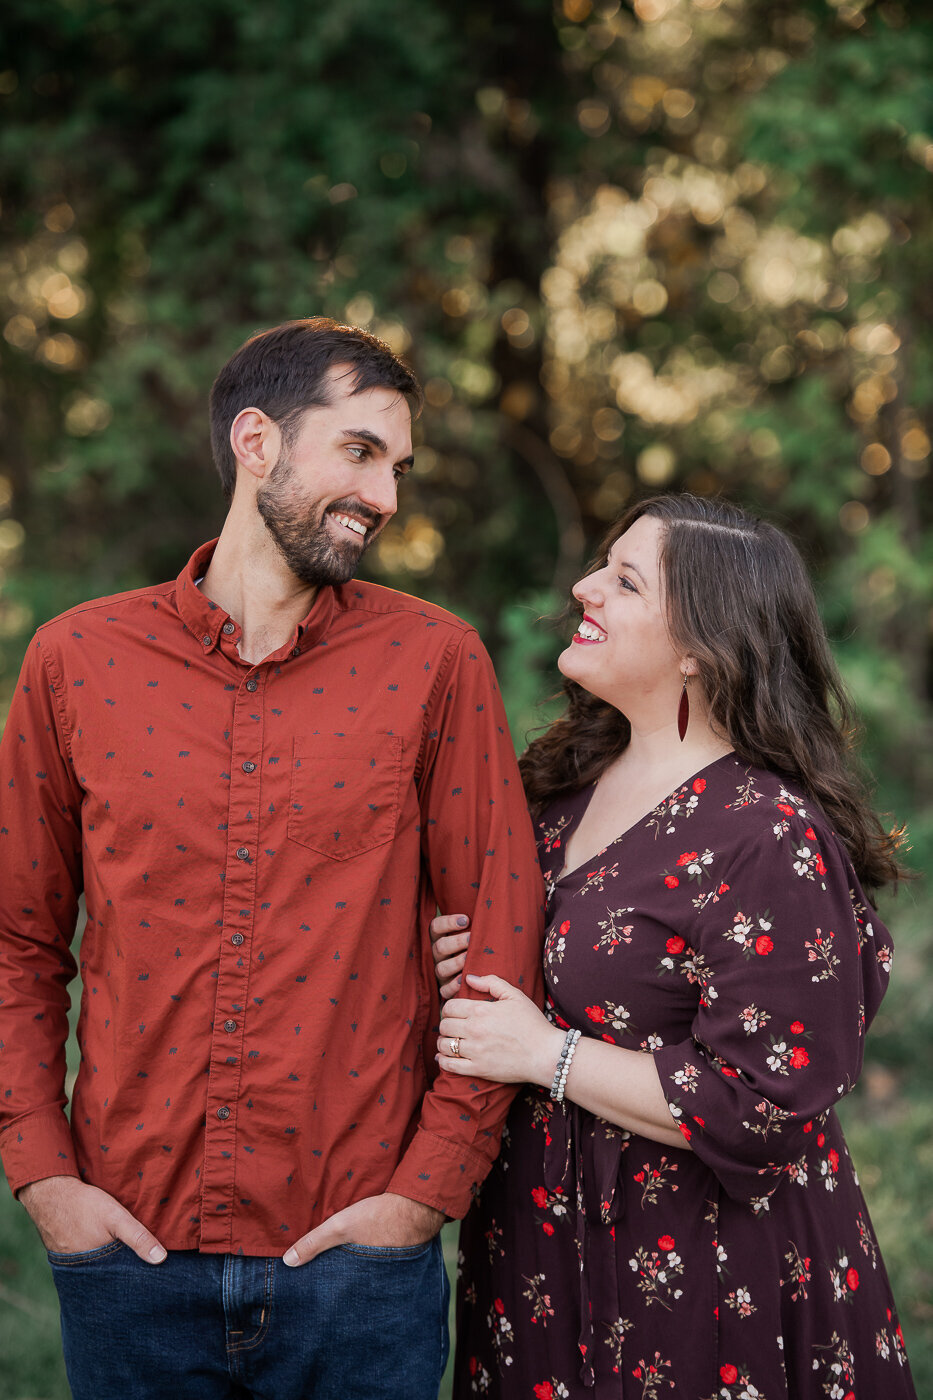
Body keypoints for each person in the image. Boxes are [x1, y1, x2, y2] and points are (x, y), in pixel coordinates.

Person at [0, 317, 544, 1400]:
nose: (387, 494)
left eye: (398, 466)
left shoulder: (434, 662)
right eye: (359, 451)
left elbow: (499, 934)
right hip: (128, 1257)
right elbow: (17, 938)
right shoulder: (75, 661)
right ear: (257, 441)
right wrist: (44, 1177)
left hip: (361, 1269)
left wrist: (422, 1198)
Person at [430, 493, 917, 1398]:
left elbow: (764, 1102)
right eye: (598, 566)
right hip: (544, 1256)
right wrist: (462, 959)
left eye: (622, 579)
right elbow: (548, 973)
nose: (583, 587)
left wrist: (547, 1055)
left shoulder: (765, 832)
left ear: (699, 645)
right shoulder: (558, 788)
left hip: (707, 1274)